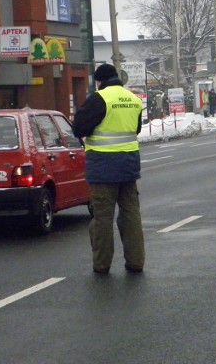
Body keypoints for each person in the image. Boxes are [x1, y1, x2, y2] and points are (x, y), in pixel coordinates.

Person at [72, 63, 145, 275]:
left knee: (103, 217)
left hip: (103, 166)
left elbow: (79, 127)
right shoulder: (133, 99)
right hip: (129, 163)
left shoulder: (100, 98)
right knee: (131, 214)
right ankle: (136, 262)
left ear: (100, 81)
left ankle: (102, 264)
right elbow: (136, 129)